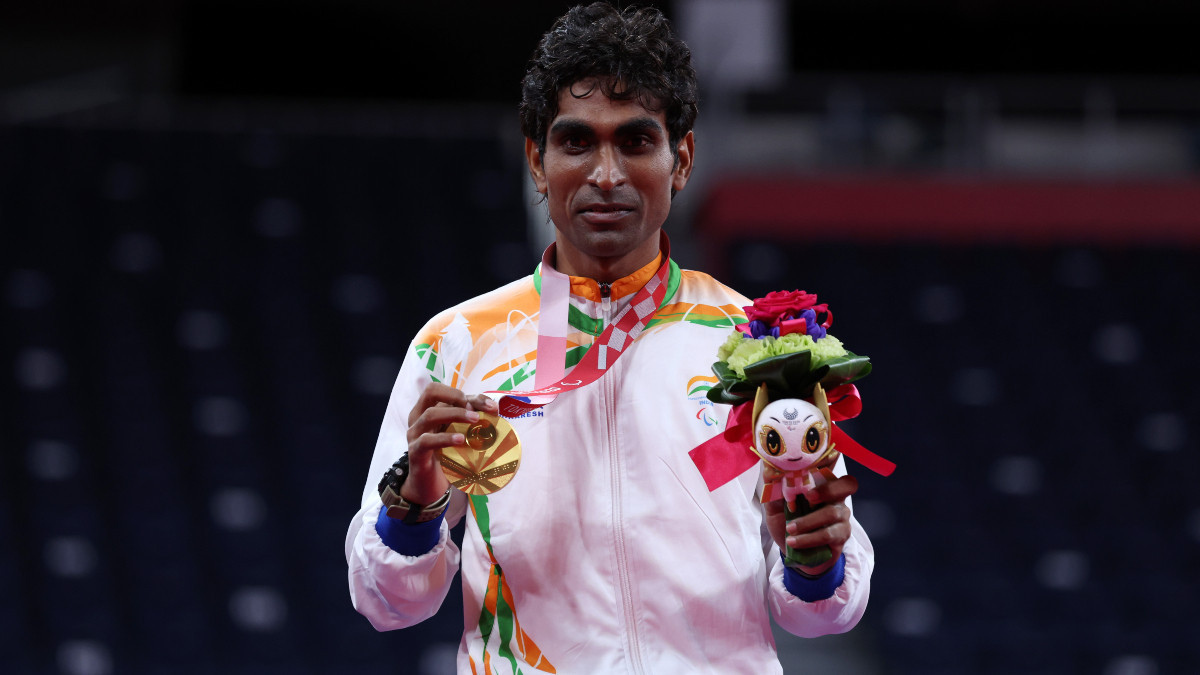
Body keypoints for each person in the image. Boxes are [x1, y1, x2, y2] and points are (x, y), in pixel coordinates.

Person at [345, 3, 873, 673]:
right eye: (576, 142)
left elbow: (823, 609)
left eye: (634, 141)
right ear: (537, 160)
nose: (606, 174)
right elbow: (386, 600)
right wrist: (413, 508)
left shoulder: (759, 345)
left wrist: (814, 561)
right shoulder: (456, 345)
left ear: (680, 159)